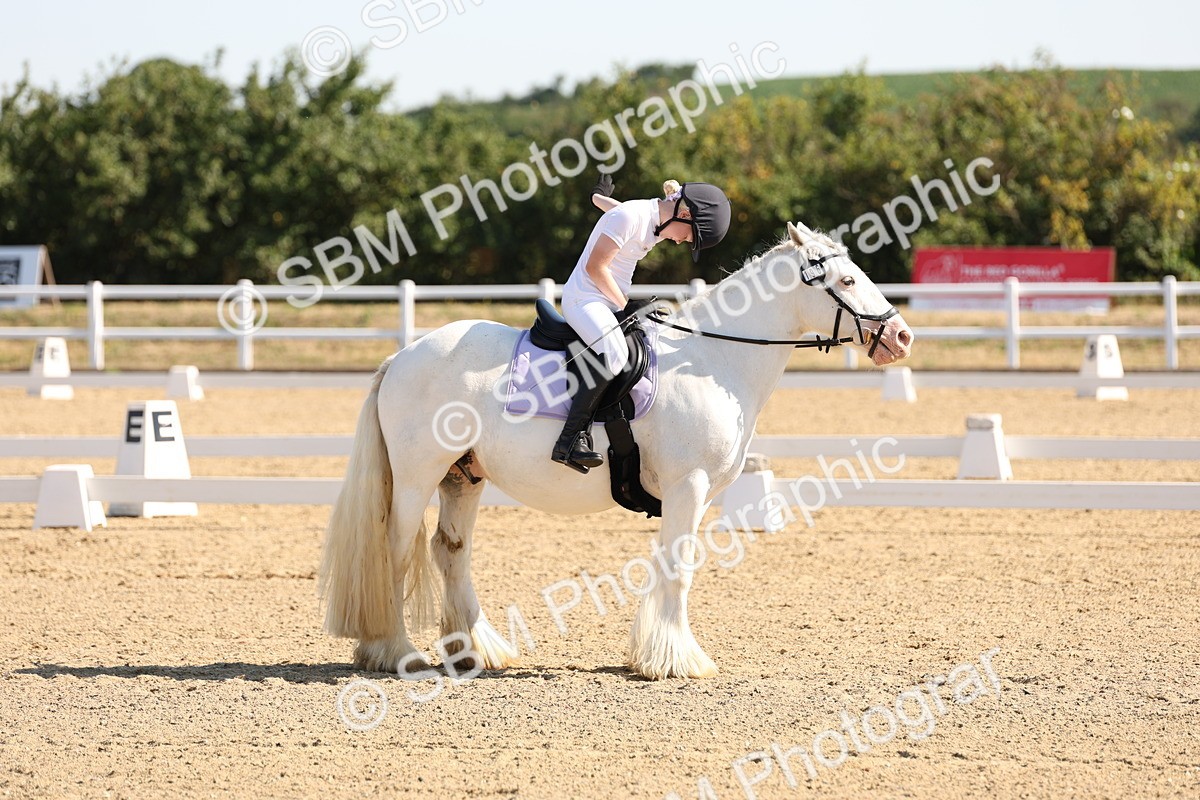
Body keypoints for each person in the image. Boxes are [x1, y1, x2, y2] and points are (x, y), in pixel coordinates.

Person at [551, 175, 732, 473]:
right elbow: (595, 267)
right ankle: (570, 440)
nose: (678, 241)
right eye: (687, 237)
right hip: (584, 299)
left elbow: (615, 212)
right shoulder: (630, 217)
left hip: (606, 301)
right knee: (616, 354)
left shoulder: (651, 221)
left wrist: (597, 197)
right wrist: (627, 307)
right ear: (684, 214)